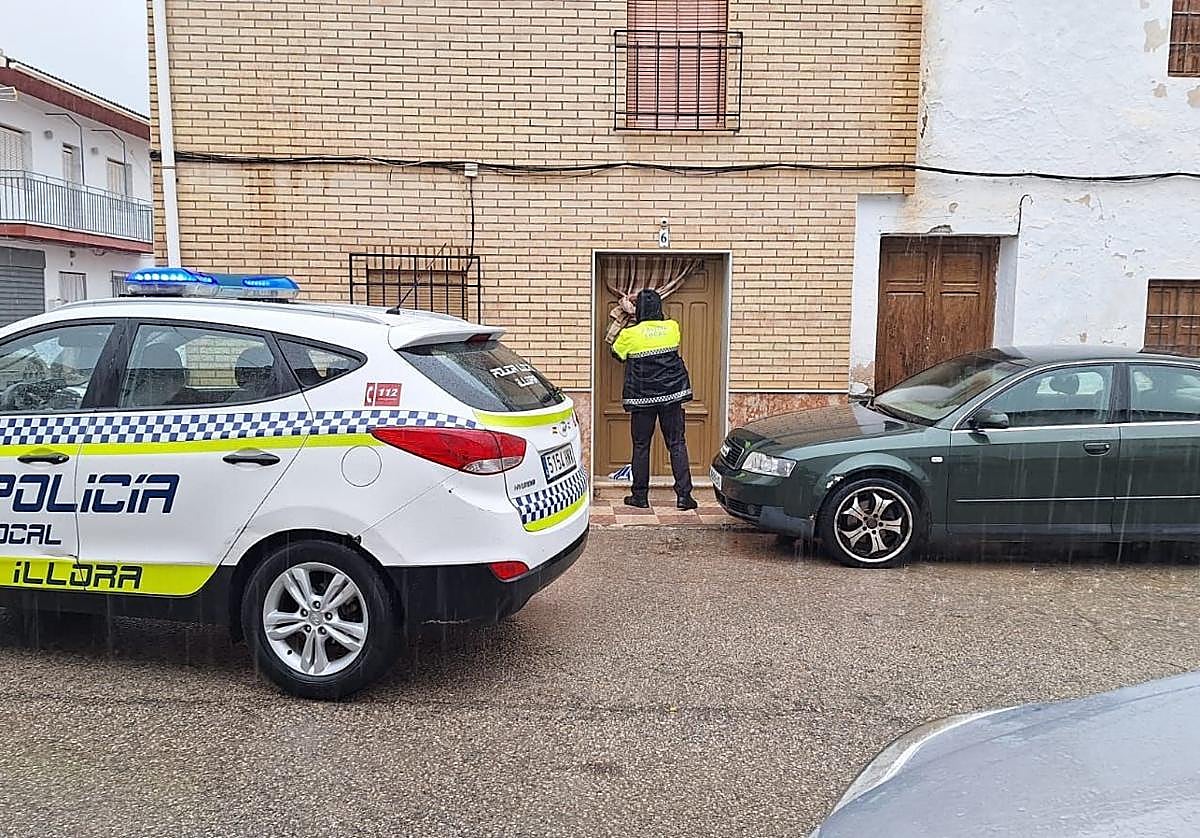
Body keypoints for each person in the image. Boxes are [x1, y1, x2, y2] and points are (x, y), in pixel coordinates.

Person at [611, 289, 698, 510]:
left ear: (638, 309)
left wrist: (627, 312)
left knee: (641, 446)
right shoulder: (672, 327)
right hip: (672, 398)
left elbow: (616, 353)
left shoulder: (630, 334)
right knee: (677, 444)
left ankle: (640, 497)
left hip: (642, 401)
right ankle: (684, 497)